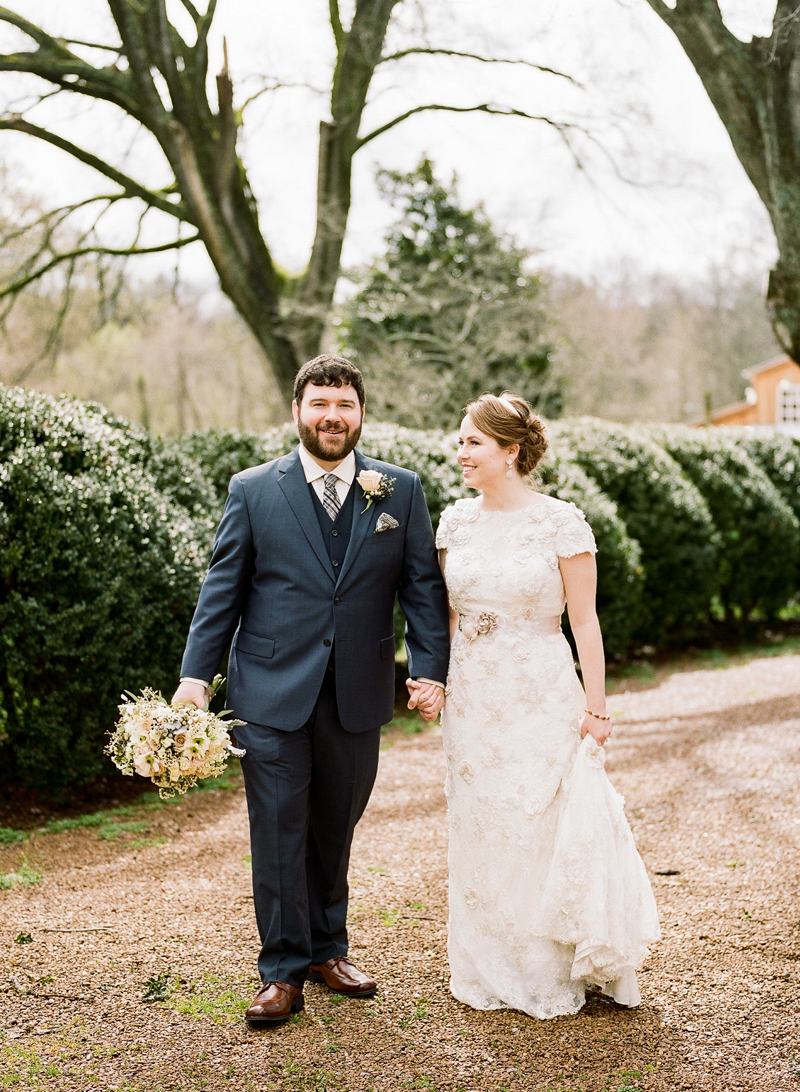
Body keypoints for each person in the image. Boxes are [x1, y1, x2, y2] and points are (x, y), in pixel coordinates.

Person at [173, 355, 450, 1023]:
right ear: (297, 411)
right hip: (268, 691)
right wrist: (193, 678)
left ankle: (329, 949)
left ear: (360, 414)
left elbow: (421, 588)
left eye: (345, 405)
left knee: (334, 825)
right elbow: (222, 592)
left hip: (357, 691)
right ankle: (282, 969)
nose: (333, 416)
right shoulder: (253, 489)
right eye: (321, 404)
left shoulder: (399, 490)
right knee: (277, 828)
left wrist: (431, 667)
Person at [429, 392, 660, 1019]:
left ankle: (552, 961)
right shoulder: (454, 523)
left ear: (510, 450)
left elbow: (585, 623)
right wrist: (439, 685)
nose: (461, 453)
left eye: (473, 442)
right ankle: (488, 960)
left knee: (542, 820)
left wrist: (598, 708)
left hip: (542, 691)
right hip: (475, 696)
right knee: (481, 822)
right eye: (460, 441)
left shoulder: (561, 523)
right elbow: (446, 617)